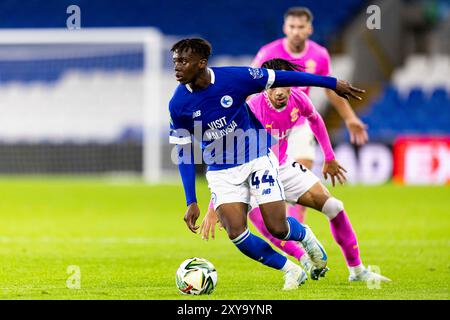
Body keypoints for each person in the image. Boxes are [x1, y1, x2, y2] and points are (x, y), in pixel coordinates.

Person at [169, 38, 364, 290]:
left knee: (278, 227)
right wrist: (191, 200)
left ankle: (303, 235)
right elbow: (183, 151)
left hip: (257, 157)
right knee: (236, 233)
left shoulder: (234, 78)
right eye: (175, 62)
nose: (177, 67)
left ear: (201, 63)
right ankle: (291, 270)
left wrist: (333, 83)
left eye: (183, 61)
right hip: (221, 169)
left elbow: (283, 77)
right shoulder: (178, 104)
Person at [200, 58, 391, 283]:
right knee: (269, 227)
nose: (280, 92)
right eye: (274, 87)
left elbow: (315, 119)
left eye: (285, 85)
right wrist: (215, 203)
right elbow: (228, 155)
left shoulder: (298, 98)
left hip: (281, 165)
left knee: (334, 206)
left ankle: (358, 271)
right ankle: (302, 262)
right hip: (253, 172)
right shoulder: (252, 107)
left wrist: (329, 156)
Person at [252, 7, 369, 223]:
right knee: (271, 185)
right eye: (292, 26)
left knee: (302, 176)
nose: (296, 31)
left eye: (300, 27)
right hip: (269, 126)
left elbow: (330, 91)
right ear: (285, 28)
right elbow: (250, 86)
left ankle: (298, 233)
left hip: (299, 122)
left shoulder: (319, 55)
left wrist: (350, 117)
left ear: (309, 29)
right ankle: (280, 227)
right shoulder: (268, 52)